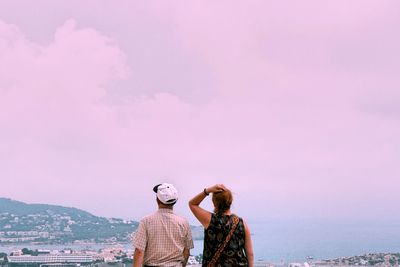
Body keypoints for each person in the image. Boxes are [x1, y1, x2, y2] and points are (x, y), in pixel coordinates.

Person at [189, 184, 254, 267]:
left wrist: (207, 191)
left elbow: (192, 204)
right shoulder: (242, 223)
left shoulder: (210, 220)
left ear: (214, 202)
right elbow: (250, 254)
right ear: (230, 201)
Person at [133, 183, 194, 267]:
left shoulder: (146, 221)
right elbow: (186, 251)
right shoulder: (183, 222)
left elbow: (139, 251)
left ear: (157, 200)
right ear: (175, 201)